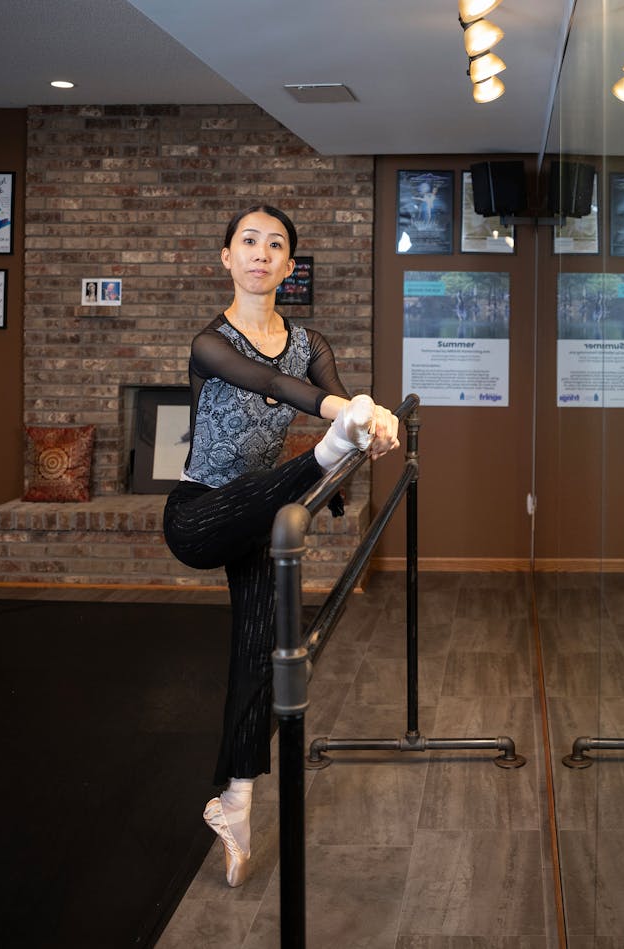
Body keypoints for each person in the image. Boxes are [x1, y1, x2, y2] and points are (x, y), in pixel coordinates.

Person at [162, 205, 400, 888]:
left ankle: (235, 798)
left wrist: (372, 430)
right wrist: (345, 424)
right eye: (248, 242)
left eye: (276, 245)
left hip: (264, 516)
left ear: (290, 266)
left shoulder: (310, 341)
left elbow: (336, 395)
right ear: (227, 258)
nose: (261, 253)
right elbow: (274, 385)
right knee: (315, 451)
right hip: (202, 513)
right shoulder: (210, 341)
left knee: (259, 648)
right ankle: (313, 464)